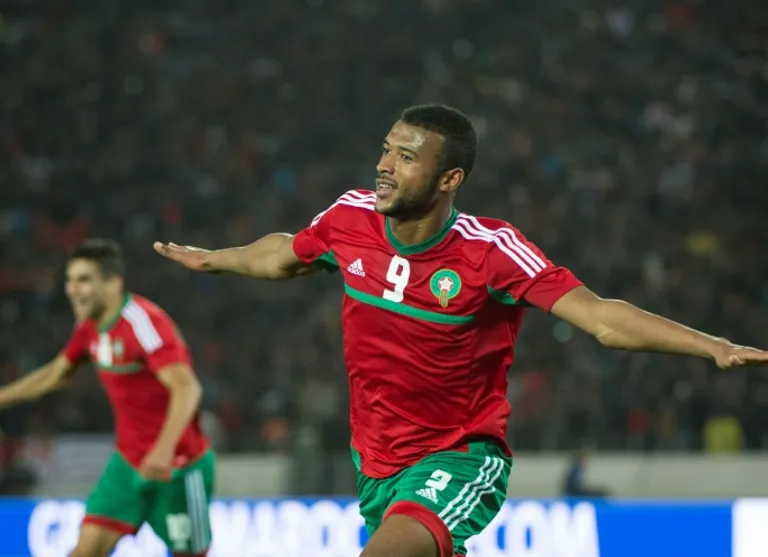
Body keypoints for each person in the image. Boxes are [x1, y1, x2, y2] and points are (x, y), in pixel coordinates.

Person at [155, 104, 767, 557]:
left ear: (449, 179)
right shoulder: (349, 217)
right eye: (387, 150)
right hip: (376, 463)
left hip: (460, 456)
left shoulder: (491, 251)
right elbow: (282, 255)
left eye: (406, 157)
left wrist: (710, 346)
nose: (384, 166)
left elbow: (602, 318)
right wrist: (216, 258)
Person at [0, 239, 213, 557]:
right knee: (84, 552)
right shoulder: (89, 326)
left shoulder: (143, 324)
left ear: (113, 283)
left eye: (84, 280)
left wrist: (164, 449)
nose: (72, 290)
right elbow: (55, 374)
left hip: (178, 468)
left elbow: (187, 388)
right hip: (126, 465)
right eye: (70, 280)